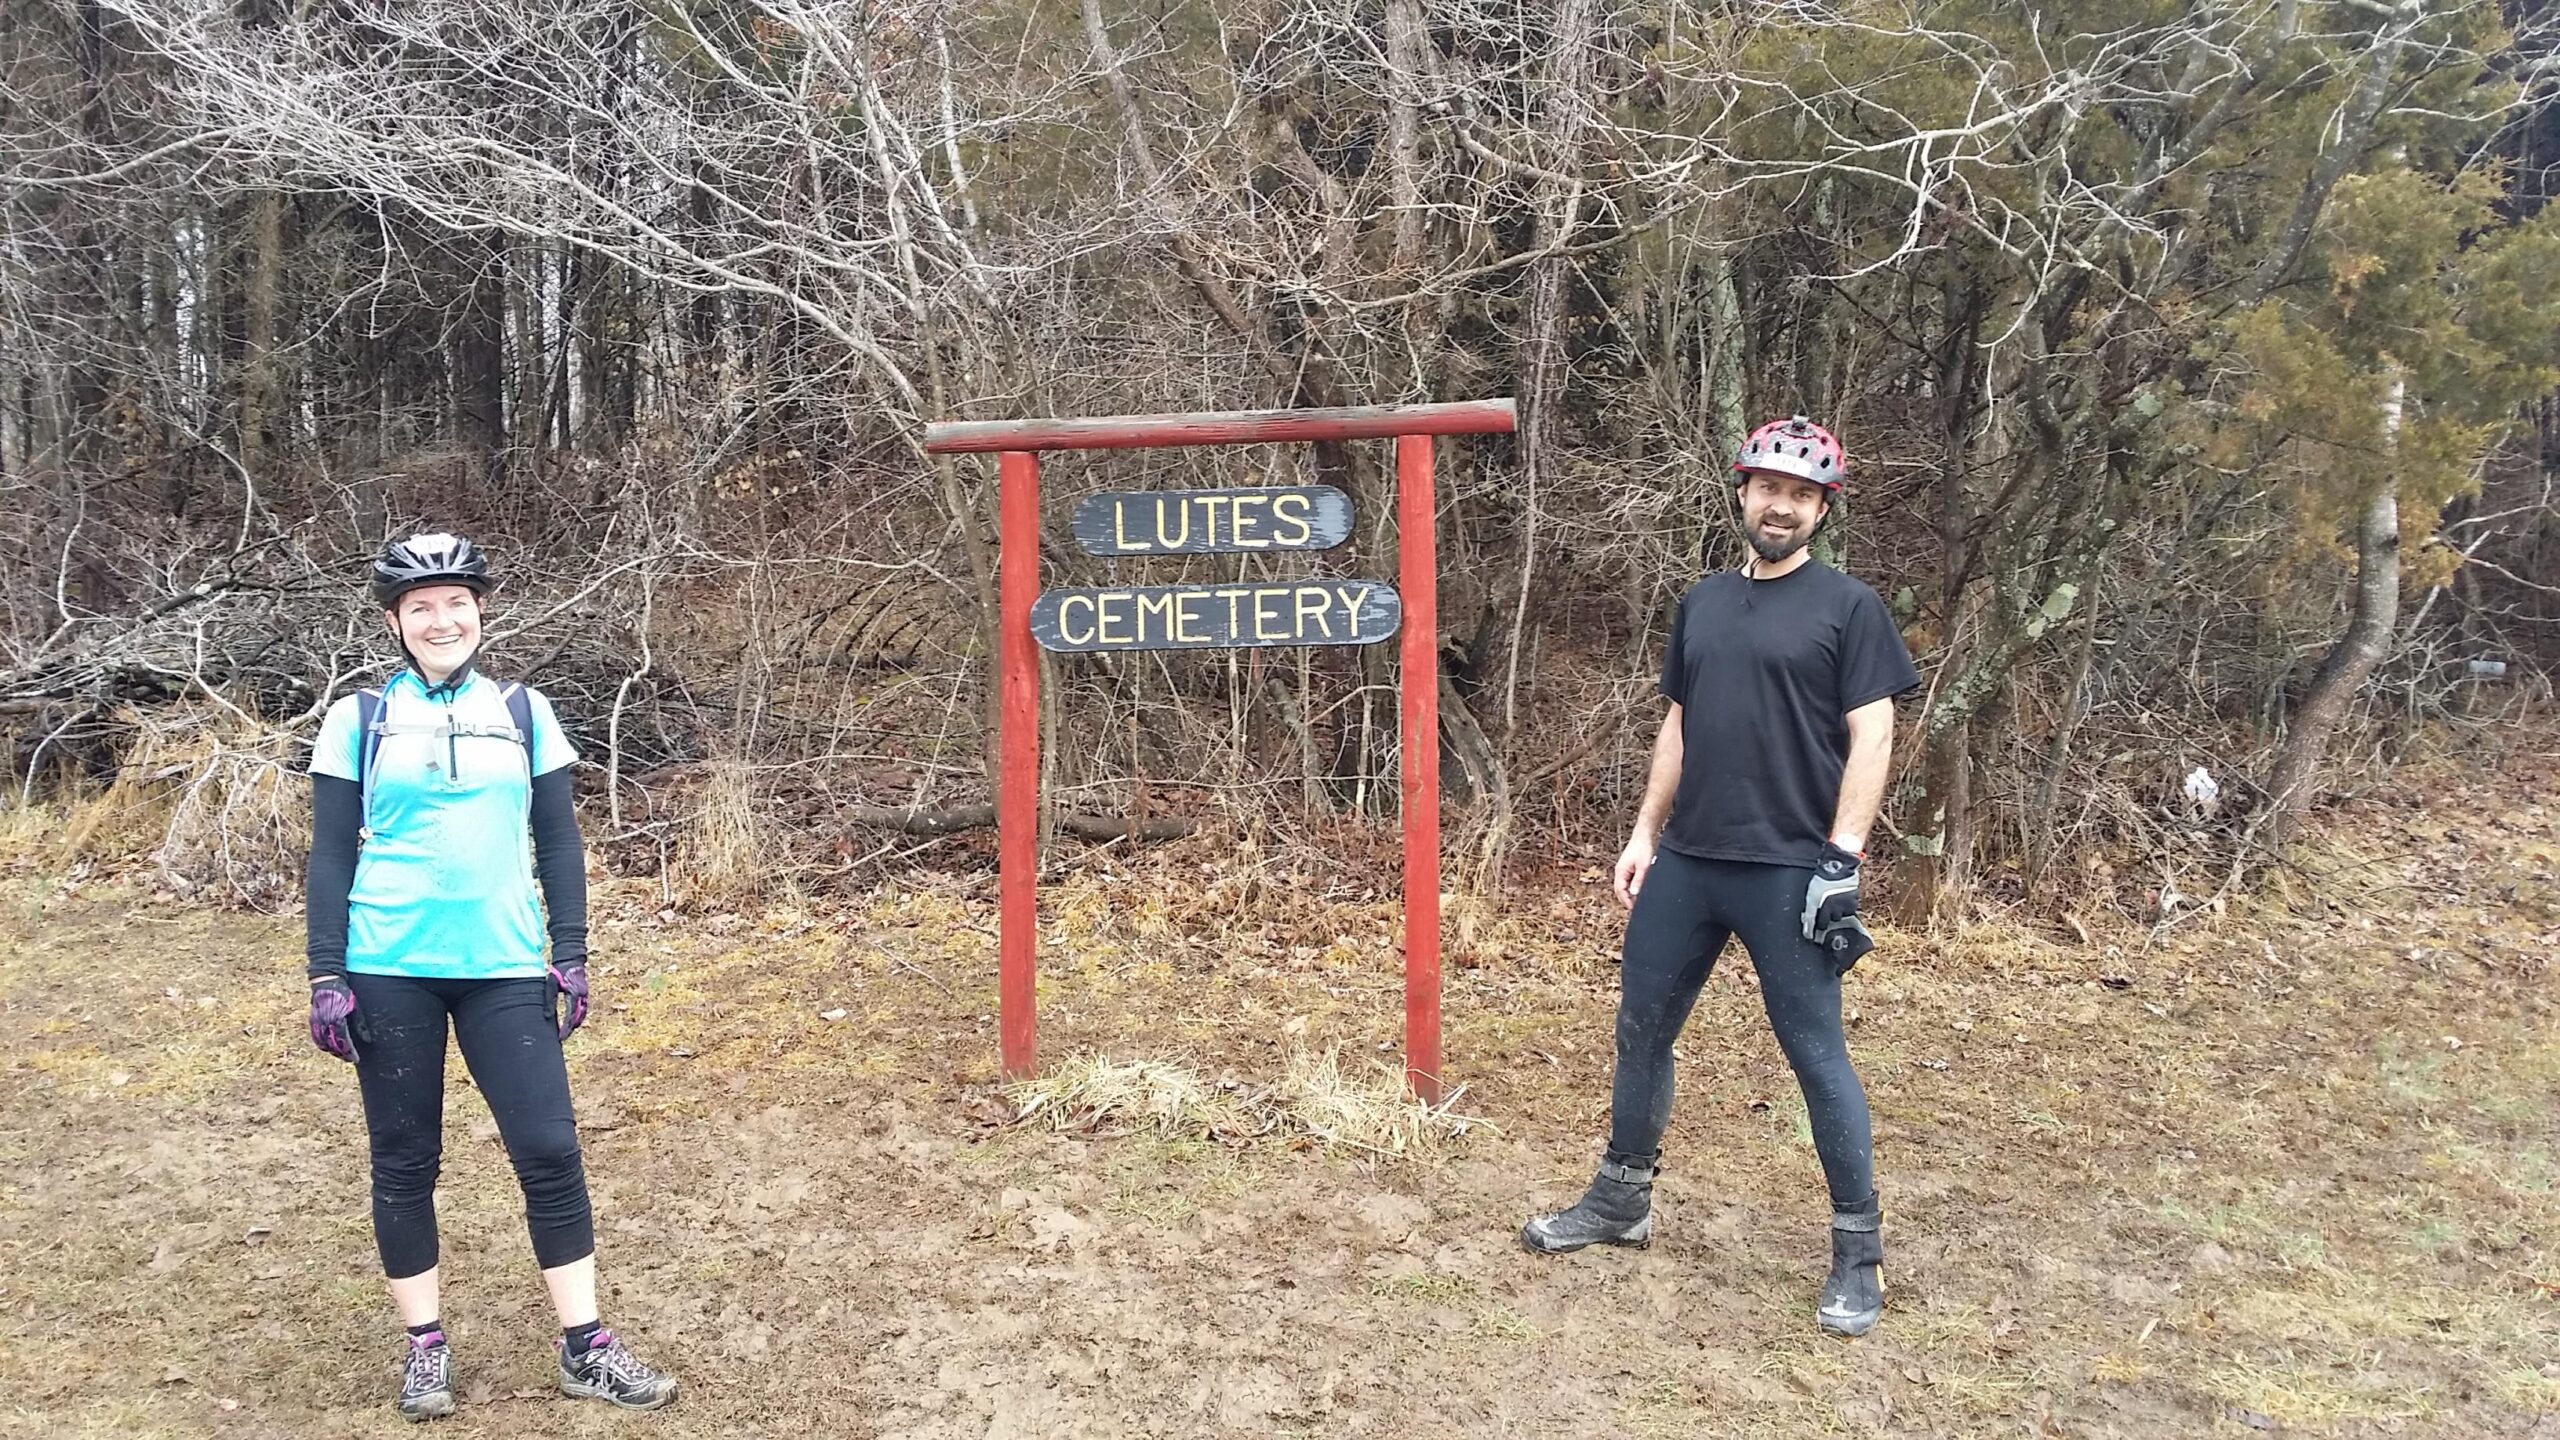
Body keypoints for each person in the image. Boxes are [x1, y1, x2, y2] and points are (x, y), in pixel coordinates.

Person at [1520, 416, 1920, 1339]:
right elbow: (1679, 724)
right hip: (1691, 862)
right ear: (1741, 491)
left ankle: (1858, 1254)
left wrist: (1843, 860)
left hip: (1789, 869)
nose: (1781, 505)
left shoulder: (1848, 608)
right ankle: (1621, 1202)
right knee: (1641, 1029)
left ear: (1822, 509)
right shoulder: (1701, 601)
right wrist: (1643, 832)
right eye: (1768, 488)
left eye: (1802, 494)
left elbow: (1875, 735)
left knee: (1816, 1057)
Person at [303, 533, 678, 1418]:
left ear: (481, 611)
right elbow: (327, 856)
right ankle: (425, 1348)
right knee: (405, 1159)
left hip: (505, 963)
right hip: (389, 965)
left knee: (549, 1152)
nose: (442, 618)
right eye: (421, 606)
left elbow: (558, 839)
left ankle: (585, 1346)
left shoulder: (522, 710)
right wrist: (326, 973)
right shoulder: (359, 719)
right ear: (396, 622)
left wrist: (572, 950)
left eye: (456, 602)